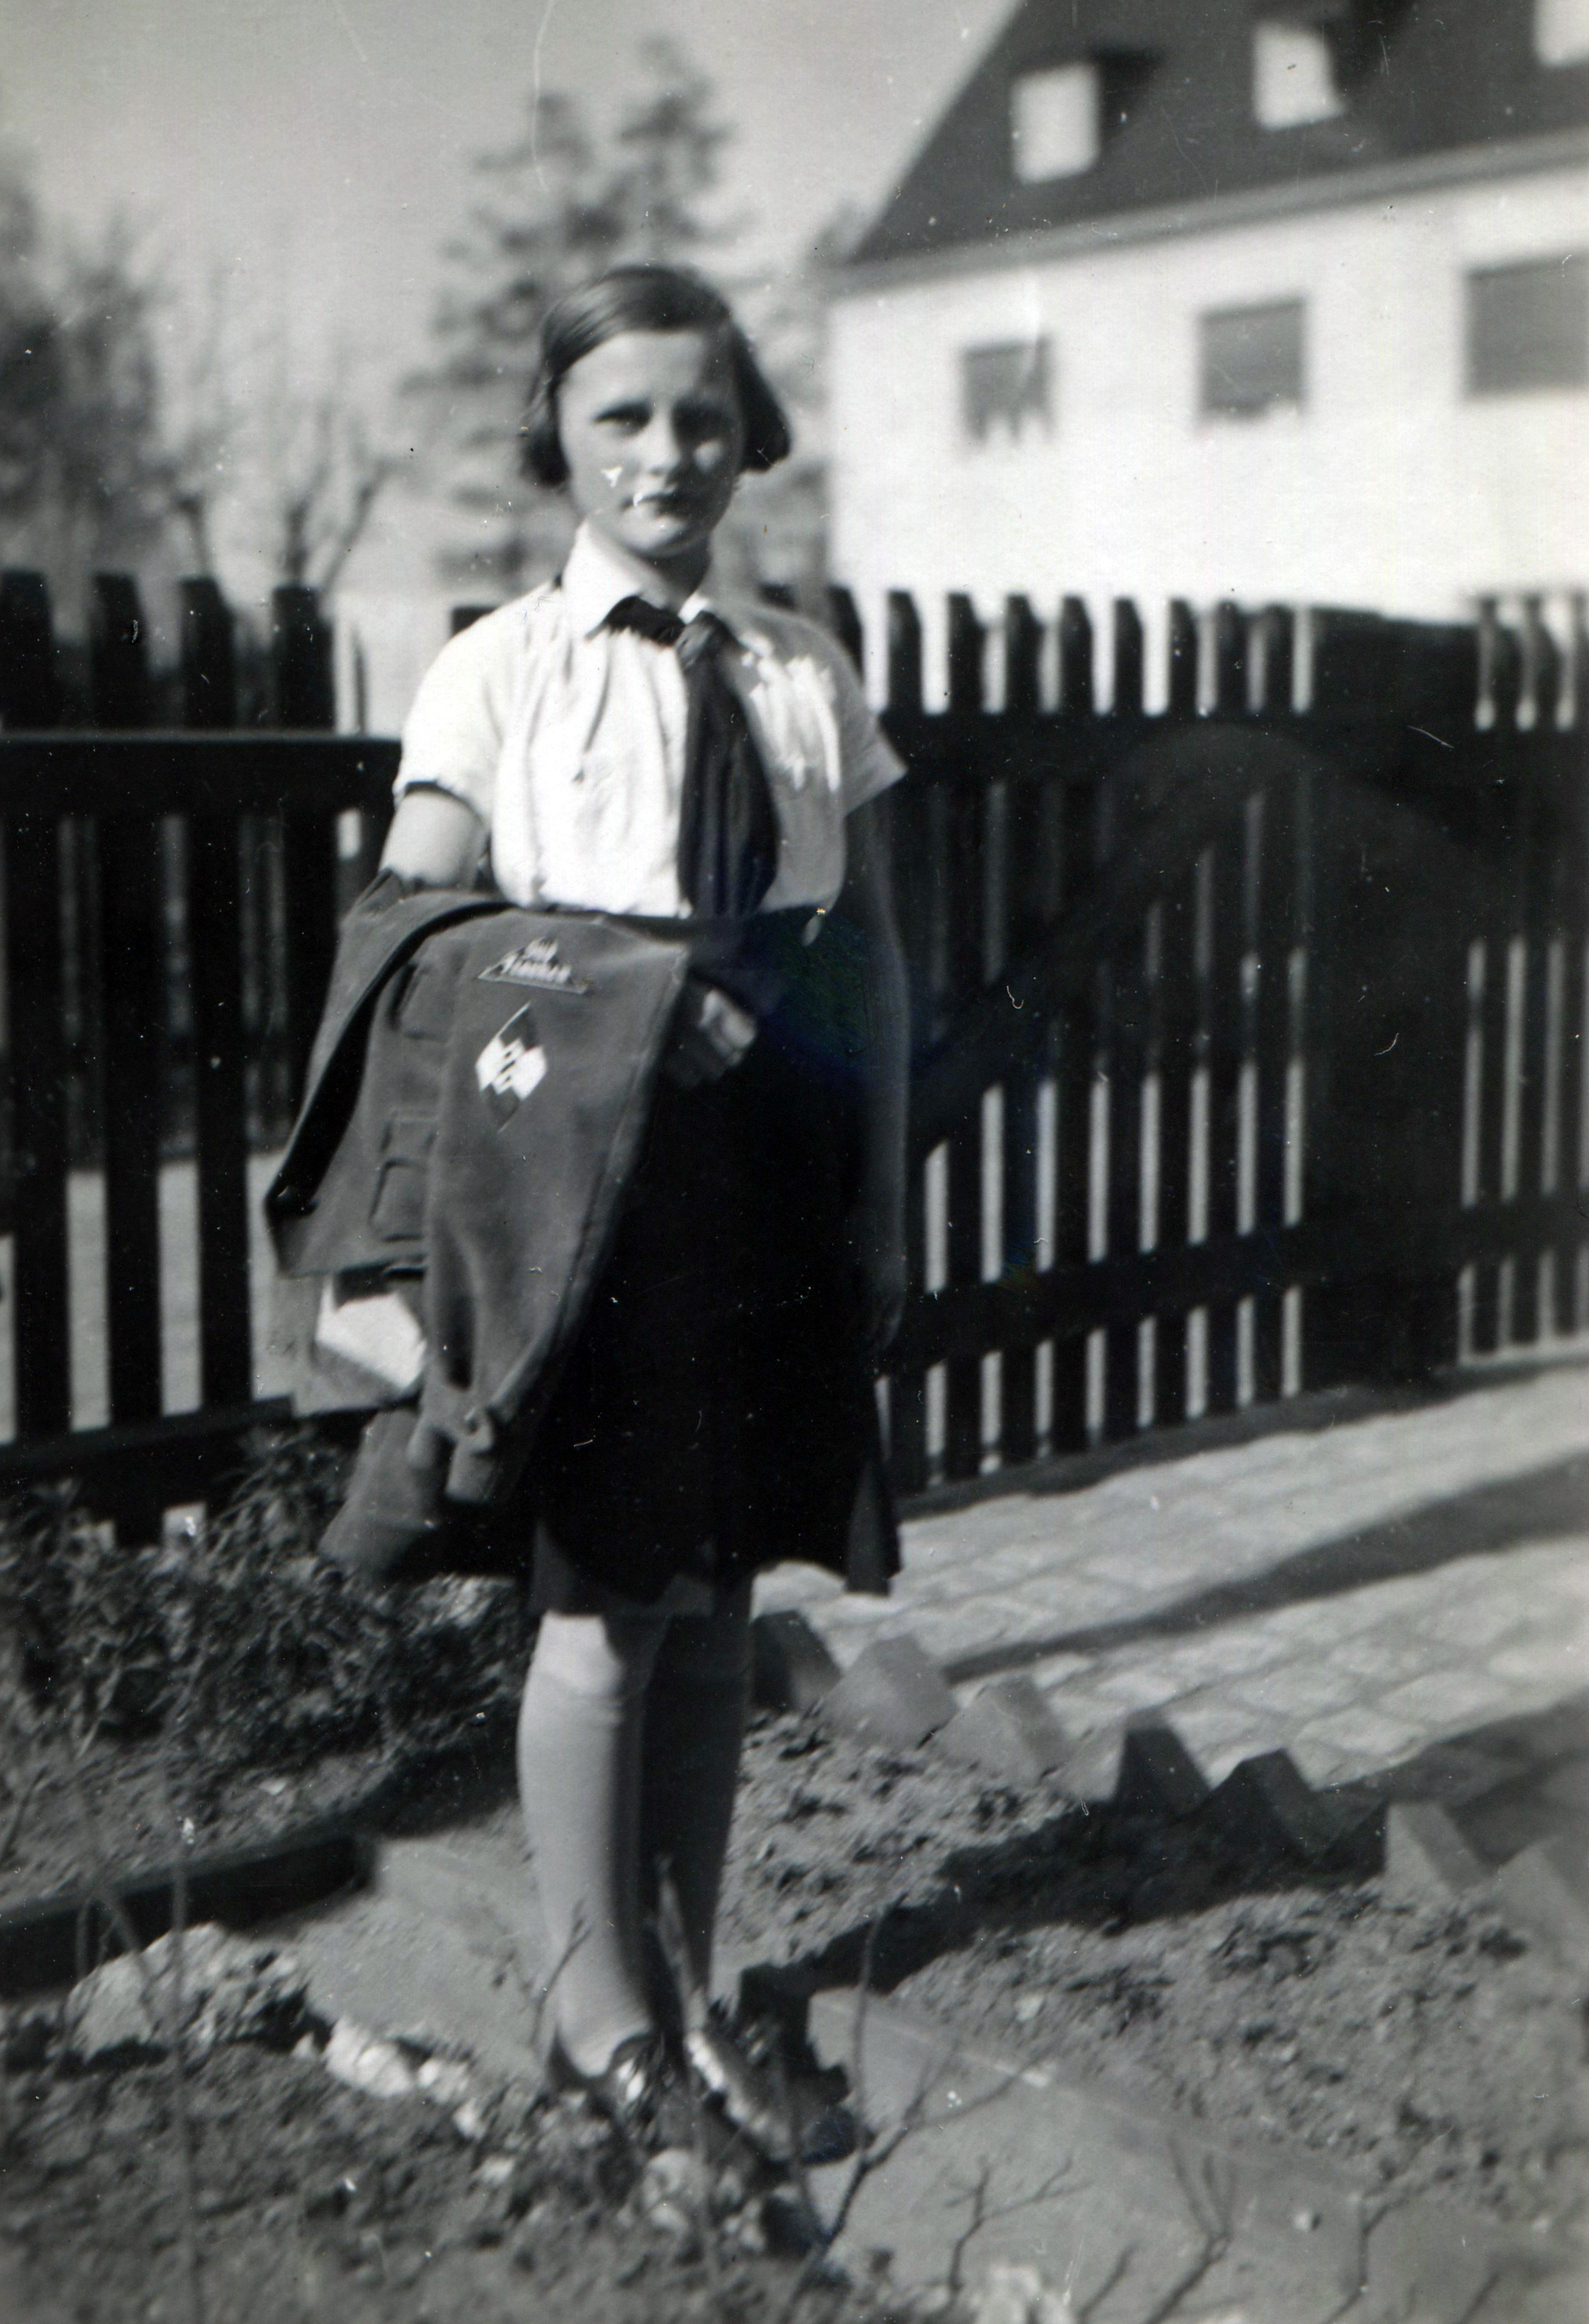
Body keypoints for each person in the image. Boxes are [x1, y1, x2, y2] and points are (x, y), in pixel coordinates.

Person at [379, 264, 909, 2154]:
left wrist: (880, 1198)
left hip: (768, 1173)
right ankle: (591, 2014)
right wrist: (619, 993)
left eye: (702, 414)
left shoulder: (801, 672)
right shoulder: (502, 669)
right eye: (622, 415)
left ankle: (682, 1988)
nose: (667, 452)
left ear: (748, 435)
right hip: (589, 1187)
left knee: (711, 1601)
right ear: (560, 437)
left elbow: (873, 962)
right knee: (604, 1606)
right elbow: (413, 933)